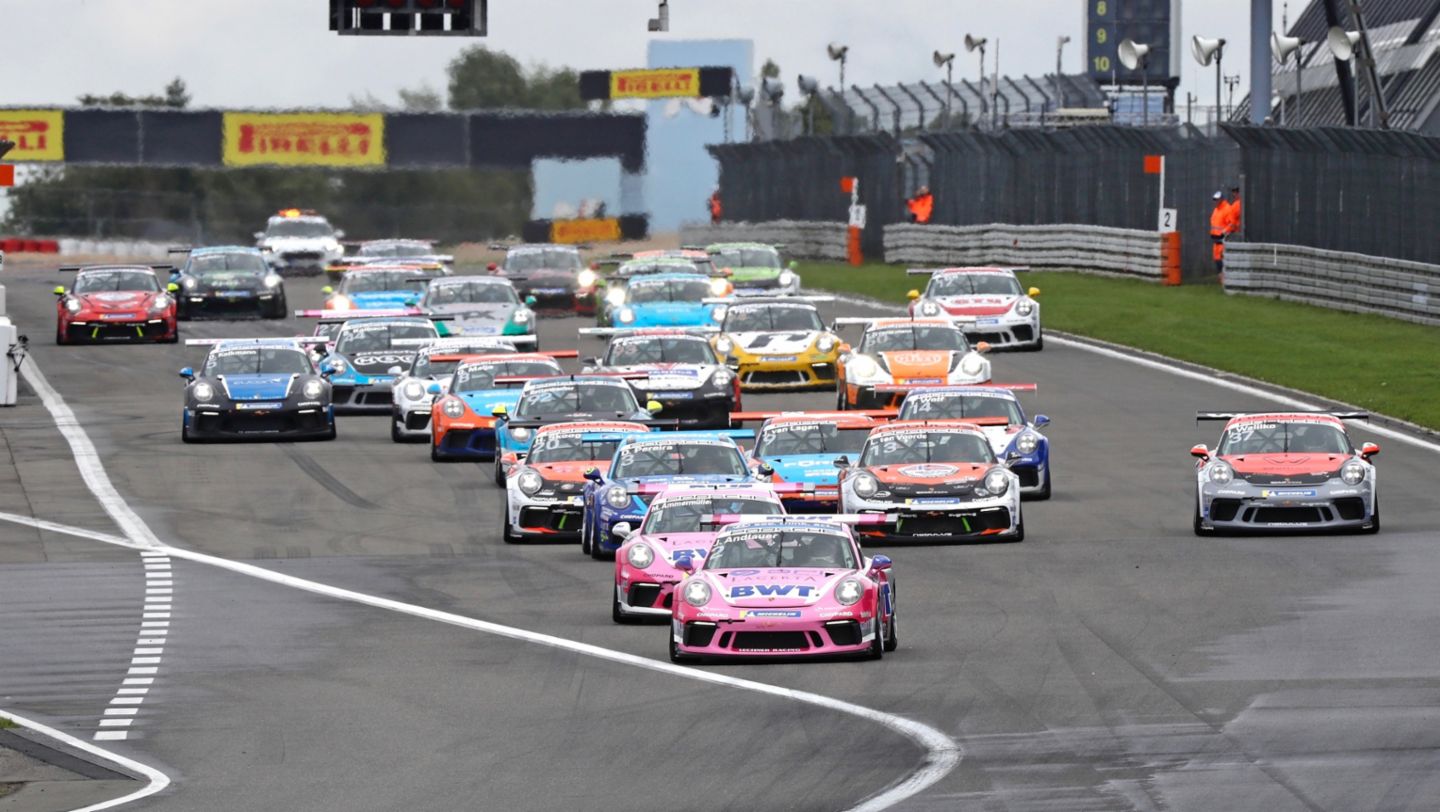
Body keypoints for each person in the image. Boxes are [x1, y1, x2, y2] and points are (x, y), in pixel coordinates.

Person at [1209, 191, 1229, 274]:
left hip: (1222, 241)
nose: (1215, 201)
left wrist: (1225, 232)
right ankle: (1222, 281)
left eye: (1216, 199)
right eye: (1214, 199)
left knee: (1222, 262)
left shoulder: (1227, 209)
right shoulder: (1216, 210)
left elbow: (1231, 224)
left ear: (1221, 199)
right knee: (1217, 262)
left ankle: (1225, 281)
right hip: (1215, 241)